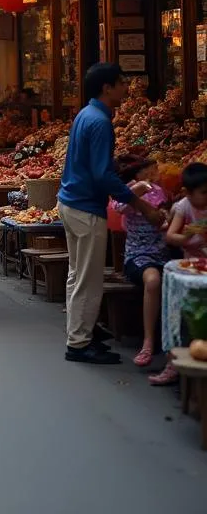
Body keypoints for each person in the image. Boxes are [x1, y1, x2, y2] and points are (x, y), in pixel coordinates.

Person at [58, 63, 166, 365]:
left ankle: (81, 332)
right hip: (85, 207)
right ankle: (79, 343)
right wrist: (141, 204)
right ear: (107, 88)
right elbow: (102, 175)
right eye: (121, 83)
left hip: (71, 202)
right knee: (88, 279)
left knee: (77, 275)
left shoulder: (86, 115)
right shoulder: (99, 122)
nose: (125, 88)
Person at [110, 158, 173, 374]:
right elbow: (118, 207)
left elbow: (165, 221)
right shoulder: (128, 191)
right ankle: (148, 341)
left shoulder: (161, 192)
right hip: (139, 257)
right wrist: (139, 188)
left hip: (164, 254)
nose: (158, 170)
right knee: (153, 280)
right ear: (139, 173)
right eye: (152, 168)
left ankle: (173, 347)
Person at [147, 162, 207, 385]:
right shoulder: (183, 206)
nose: (206, 197)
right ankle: (173, 362)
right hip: (191, 264)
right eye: (203, 193)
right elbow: (171, 236)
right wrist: (190, 238)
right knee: (182, 314)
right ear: (188, 193)